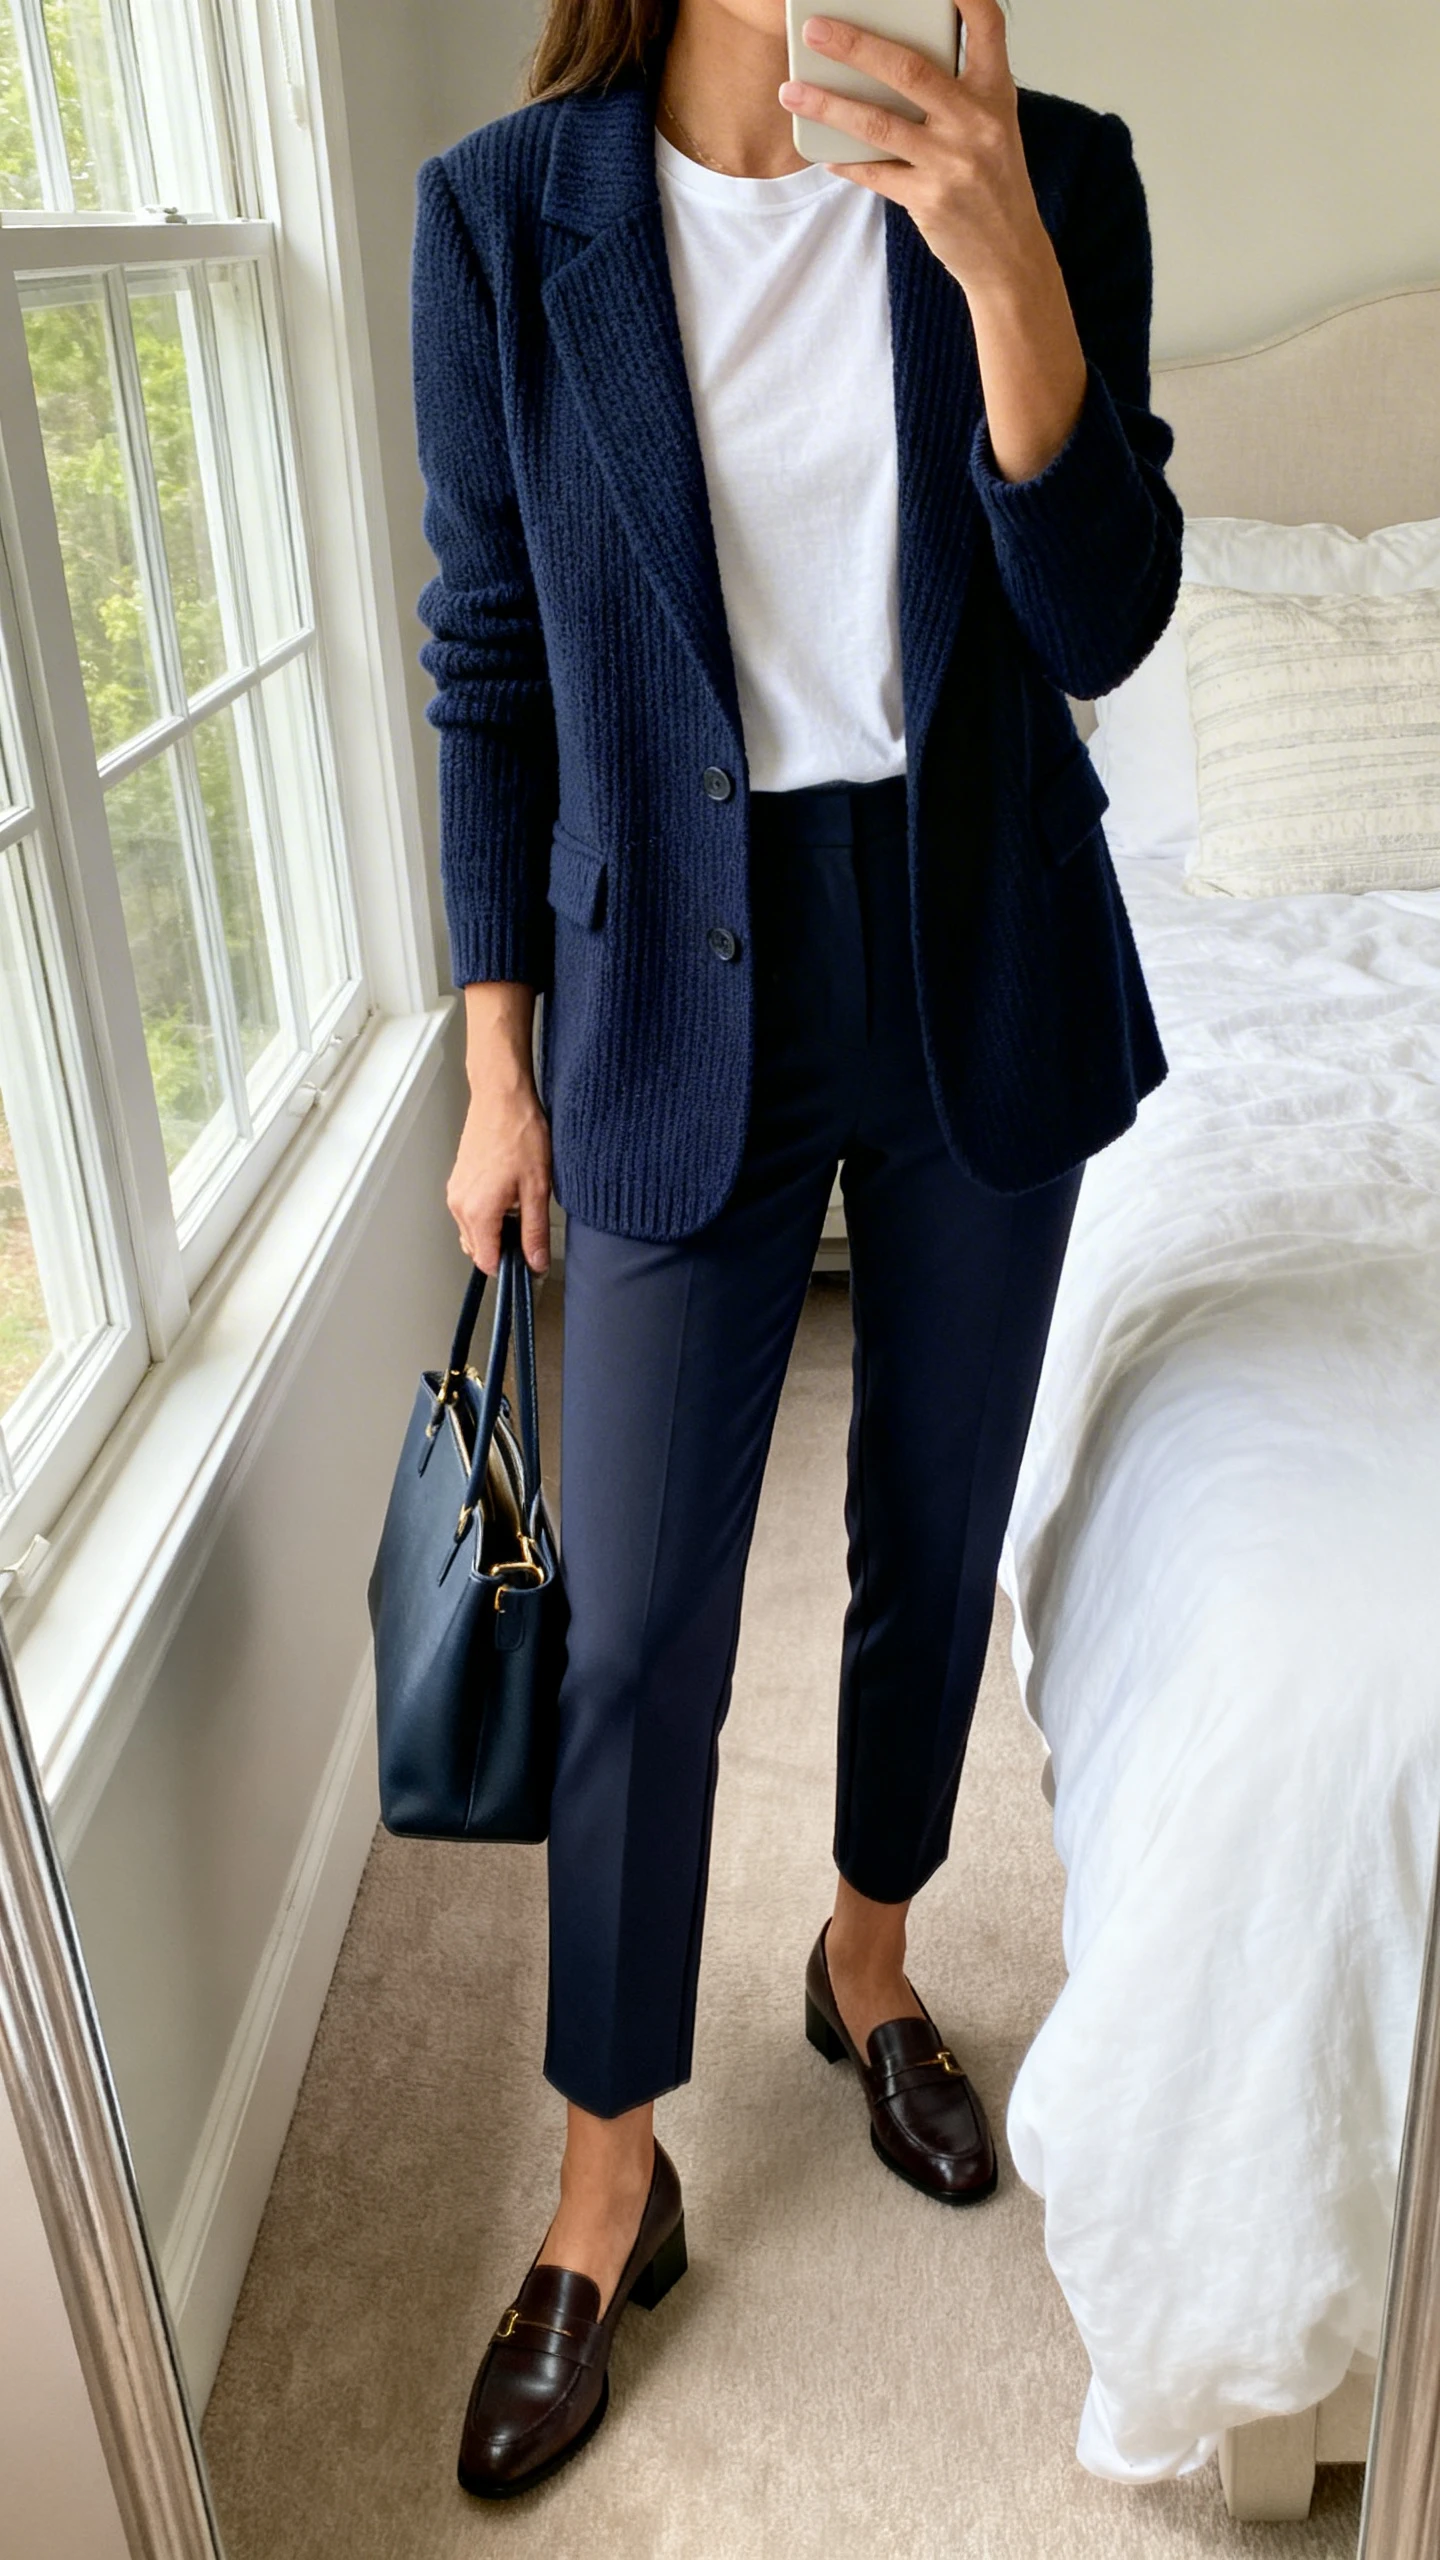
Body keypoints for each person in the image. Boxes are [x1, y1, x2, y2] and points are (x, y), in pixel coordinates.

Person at [409, 0, 1180, 2497]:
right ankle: (605, 2167)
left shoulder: (1048, 170)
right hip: (665, 969)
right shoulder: (506, 220)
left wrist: (1006, 275)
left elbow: (1102, 622)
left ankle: (868, 1951)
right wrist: (495, 1064)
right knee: (634, 1619)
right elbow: (491, 658)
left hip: (973, 950)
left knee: (928, 1529)